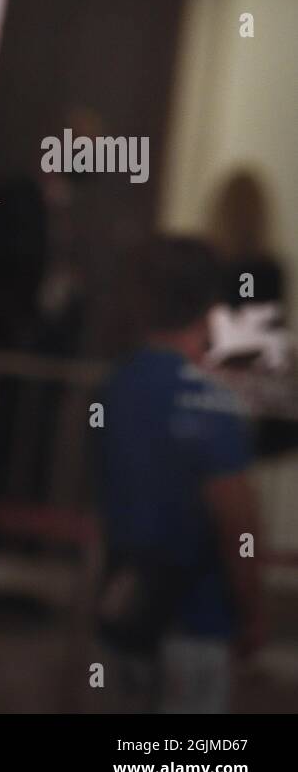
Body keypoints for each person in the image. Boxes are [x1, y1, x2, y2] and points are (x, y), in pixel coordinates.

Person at [95, 235, 265, 713]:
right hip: (196, 619)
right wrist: (252, 611)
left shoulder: (116, 387)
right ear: (210, 307)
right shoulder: (209, 400)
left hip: (124, 610)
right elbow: (237, 518)